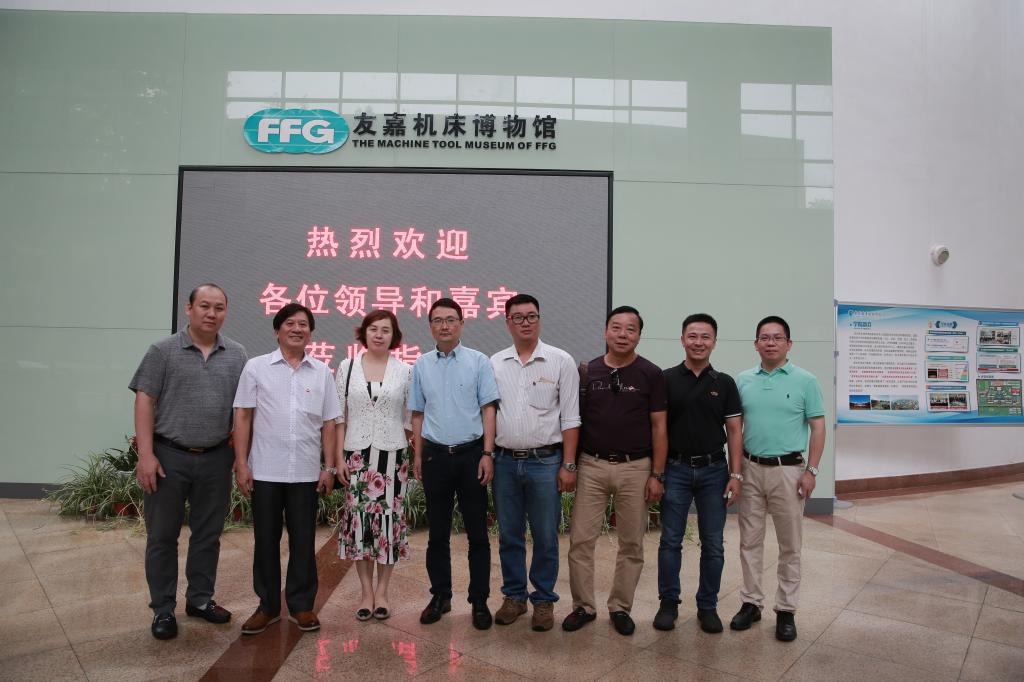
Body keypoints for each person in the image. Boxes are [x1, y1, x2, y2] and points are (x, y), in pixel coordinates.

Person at [130, 283, 247, 640]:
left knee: (208, 535)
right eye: (205, 306)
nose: (212, 313)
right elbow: (144, 400)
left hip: (215, 458)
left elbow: (242, 410)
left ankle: (199, 599)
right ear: (189, 308)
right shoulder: (162, 350)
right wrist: (146, 455)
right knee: (162, 537)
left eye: (219, 308)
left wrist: (240, 455)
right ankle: (163, 609)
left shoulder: (237, 354)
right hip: (169, 456)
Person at [232, 303, 340, 635]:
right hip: (265, 470)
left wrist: (329, 467)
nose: (297, 329)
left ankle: (301, 605)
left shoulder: (321, 372)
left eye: (303, 324)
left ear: (311, 332)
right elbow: (243, 416)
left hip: (305, 473)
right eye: (290, 323)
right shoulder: (256, 367)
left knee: (303, 541)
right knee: (265, 541)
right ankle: (267, 607)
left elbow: (329, 423)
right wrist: (241, 463)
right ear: (277, 330)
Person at [563, 305, 668, 636]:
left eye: (630, 329)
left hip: (635, 468)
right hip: (591, 465)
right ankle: (583, 606)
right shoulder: (587, 371)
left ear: (639, 335)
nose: (623, 334)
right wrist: (570, 464)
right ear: (606, 331)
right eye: (617, 327)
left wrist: (657, 474)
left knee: (631, 544)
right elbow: (573, 421)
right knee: (581, 540)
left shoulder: (651, 374)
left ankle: (620, 607)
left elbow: (659, 427)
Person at [730, 316, 826, 642]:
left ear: (789, 343)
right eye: (764, 337)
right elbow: (735, 429)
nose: (770, 343)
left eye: (777, 337)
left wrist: (812, 471)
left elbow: (818, 428)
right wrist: (736, 472)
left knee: (790, 544)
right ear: (756, 343)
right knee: (749, 541)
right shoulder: (743, 380)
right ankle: (751, 603)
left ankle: (786, 610)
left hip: (789, 471)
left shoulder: (806, 380)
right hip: (751, 468)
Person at [489, 294, 580, 632]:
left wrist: (568, 465)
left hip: (545, 462)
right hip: (504, 463)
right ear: (507, 322)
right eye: (518, 317)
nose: (525, 322)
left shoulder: (560, 361)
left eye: (531, 316)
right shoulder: (495, 363)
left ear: (539, 319)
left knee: (545, 536)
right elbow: (489, 413)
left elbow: (571, 417)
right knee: (509, 534)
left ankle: (543, 600)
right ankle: (514, 596)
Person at [410, 298, 501, 630]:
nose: (445, 325)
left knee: (477, 533)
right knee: (437, 534)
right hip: (435, 456)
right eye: (438, 320)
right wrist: (418, 455)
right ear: (430, 326)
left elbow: (488, 410)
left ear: (462, 323)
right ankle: (440, 596)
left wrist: (487, 454)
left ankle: (479, 600)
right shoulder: (421, 365)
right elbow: (417, 413)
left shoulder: (478, 361)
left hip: (471, 456)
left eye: (451, 320)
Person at [654, 313, 743, 633]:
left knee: (713, 543)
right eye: (692, 336)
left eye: (705, 337)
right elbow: (658, 428)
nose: (698, 342)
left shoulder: (725, 383)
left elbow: (735, 431)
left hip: (714, 471)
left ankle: (707, 606)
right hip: (675, 469)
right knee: (670, 541)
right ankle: (668, 603)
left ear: (714, 342)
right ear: (682, 340)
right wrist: (657, 474)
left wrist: (736, 475)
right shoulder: (665, 379)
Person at [334, 310, 413, 622]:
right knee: (359, 522)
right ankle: (366, 592)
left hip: (392, 457)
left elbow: (410, 417)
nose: (379, 335)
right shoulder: (347, 367)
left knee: (388, 522)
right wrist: (337, 459)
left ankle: (383, 592)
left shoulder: (404, 371)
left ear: (394, 336)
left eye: (386, 330)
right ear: (364, 333)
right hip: (356, 456)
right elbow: (339, 416)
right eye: (373, 329)